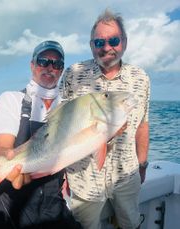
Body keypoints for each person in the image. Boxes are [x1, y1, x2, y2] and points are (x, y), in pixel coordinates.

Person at [0, 40, 82, 229]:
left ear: (62, 70)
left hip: (51, 204)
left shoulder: (67, 109)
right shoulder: (11, 99)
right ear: (32, 65)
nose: (50, 67)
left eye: (57, 64)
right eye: (43, 61)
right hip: (9, 204)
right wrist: (8, 166)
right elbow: (1, 147)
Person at [60, 9, 150, 229]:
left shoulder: (140, 78)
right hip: (83, 177)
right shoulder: (74, 73)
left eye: (114, 40)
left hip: (126, 176)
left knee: (130, 224)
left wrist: (142, 164)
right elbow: (62, 127)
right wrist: (62, 174)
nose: (107, 47)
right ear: (91, 45)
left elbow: (142, 124)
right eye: (99, 41)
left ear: (124, 42)